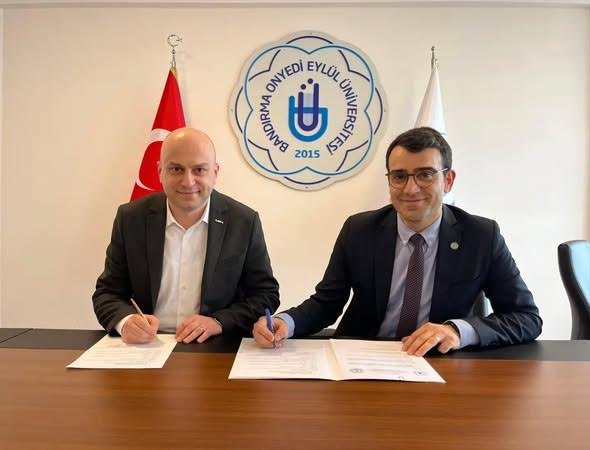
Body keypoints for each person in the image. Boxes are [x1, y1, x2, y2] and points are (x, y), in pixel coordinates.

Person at [253, 127, 542, 356]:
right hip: (363, 359)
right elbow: (326, 303)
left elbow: (526, 317)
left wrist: (458, 331)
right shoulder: (359, 230)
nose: (410, 188)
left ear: (448, 180)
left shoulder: (481, 236)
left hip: (439, 363)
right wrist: (285, 322)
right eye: (399, 176)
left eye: (425, 175)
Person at [93, 128, 279, 344]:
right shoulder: (131, 218)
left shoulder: (243, 222)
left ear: (215, 173)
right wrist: (125, 322)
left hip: (214, 346)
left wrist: (219, 321)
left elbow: (265, 295)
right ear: (160, 171)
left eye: (199, 170)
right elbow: (107, 293)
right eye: (176, 169)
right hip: (147, 345)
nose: (188, 181)